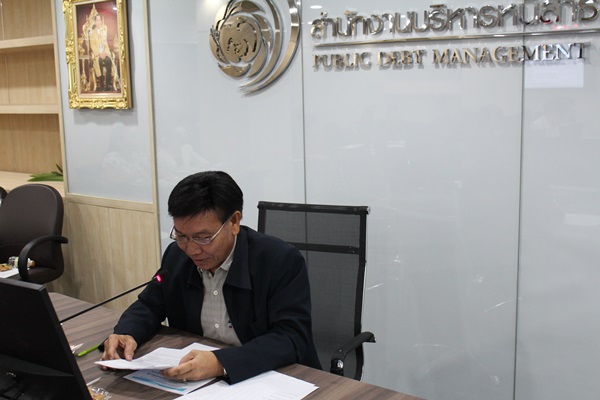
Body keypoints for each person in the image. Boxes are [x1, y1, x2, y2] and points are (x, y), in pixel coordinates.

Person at [101, 171, 321, 384]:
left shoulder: (279, 260)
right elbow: (150, 305)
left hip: (275, 378)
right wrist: (127, 333)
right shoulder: (177, 256)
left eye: (203, 238)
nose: (192, 250)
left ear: (234, 222)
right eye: (181, 236)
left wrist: (220, 363)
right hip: (200, 382)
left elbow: (291, 337)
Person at [89, 13, 113, 91]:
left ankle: (108, 85)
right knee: (99, 62)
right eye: (97, 20)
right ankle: (102, 86)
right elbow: (92, 46)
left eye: (99, 20)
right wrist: (99, 54)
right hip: (97, 55)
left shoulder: (103, 32)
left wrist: (105, 53)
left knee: (108, 60)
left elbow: (106, 44)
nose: (99, 22)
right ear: (95, 22)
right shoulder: (92, 33)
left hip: (104, 53)